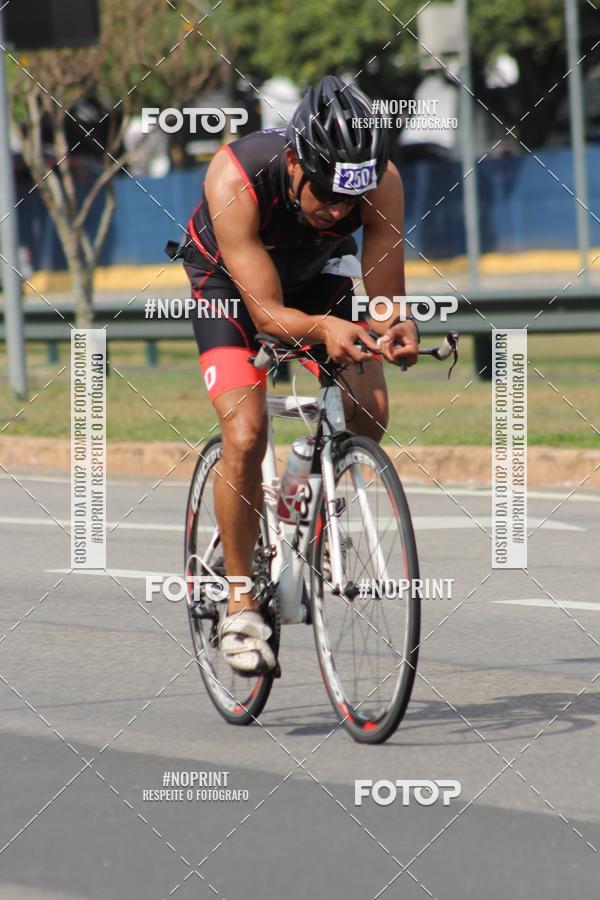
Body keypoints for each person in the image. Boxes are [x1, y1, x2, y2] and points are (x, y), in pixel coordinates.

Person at [177, 74, 419, 675]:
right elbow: (265, 313)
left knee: (370, 411)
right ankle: (239, 602)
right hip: (231, 286)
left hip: (315, 275)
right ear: (293, 163)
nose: (338, 210)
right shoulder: (234, 177)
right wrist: (324, 330)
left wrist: (392, 325)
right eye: (326, 194)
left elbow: (385, 289)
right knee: (246, 430)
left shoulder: (381, 181)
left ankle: (302, 503)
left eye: (349, 201)